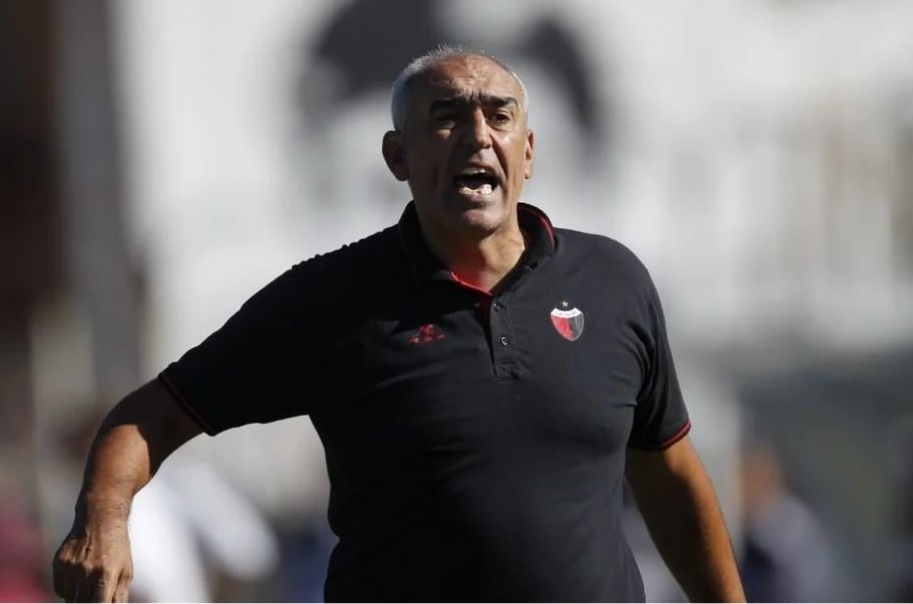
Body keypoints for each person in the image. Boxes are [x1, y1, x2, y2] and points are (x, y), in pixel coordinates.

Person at [52, 44, 746, 603]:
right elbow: (149, 416)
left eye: (499, 116)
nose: (478, 135)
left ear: (528, 151)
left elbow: (669, 472)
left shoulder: (613, 280)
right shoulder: (331, 299)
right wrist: (103, 521)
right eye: (447, 117)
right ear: (397, 156)